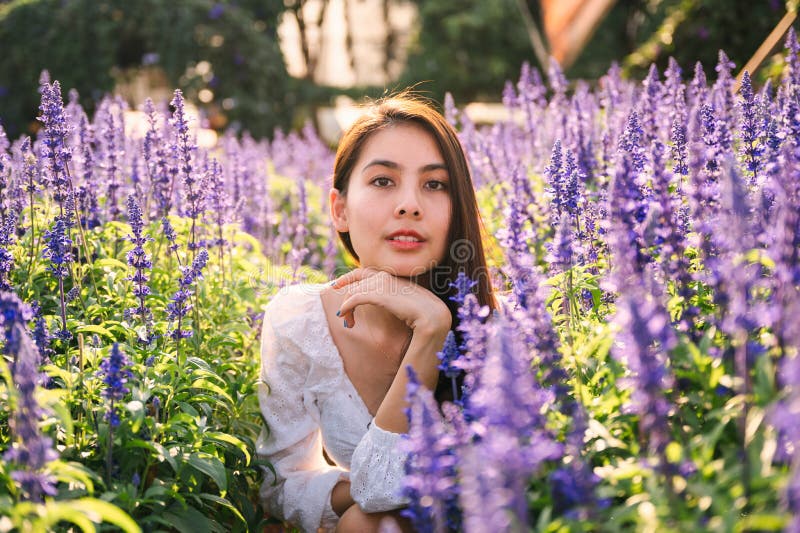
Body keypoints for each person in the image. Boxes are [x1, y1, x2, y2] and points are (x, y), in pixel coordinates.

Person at [256, 93, 497, 532]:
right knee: (368, 520)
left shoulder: (491, 328)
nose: (409, 205)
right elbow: (280, 487)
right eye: (383, 181)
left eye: (435, 184)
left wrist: (437, 324)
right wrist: (429, 334)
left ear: (456, 209)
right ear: (340, 210)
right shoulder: (298, 319)